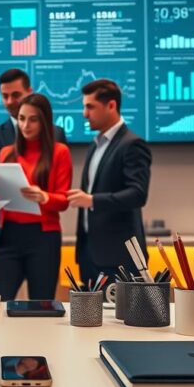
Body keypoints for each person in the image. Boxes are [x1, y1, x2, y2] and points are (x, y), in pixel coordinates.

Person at [0, 94, 72, 301]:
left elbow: (64, 200)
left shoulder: (59, 152)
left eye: (33, 119)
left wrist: (44, 197)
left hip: (43, 238)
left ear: (44, 121)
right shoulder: (5, 153)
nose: (25, 125)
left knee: (41, 305)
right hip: (7, 236)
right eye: (22, 118)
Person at [66, 79, 152, 283]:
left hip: (119, 258)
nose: (84, 114)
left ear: (111, 105)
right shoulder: (95, 145)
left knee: (121, 307)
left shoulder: (133, 144)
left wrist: (92, 200)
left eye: (90, 107)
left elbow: (137, 194)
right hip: (89, 256)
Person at [0, 68, 67, 253]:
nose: (10, 101)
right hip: (4, 232)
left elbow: (61, 194)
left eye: (16, 95)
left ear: (29, 92)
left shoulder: (56, 135)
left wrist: (43, 196)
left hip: (42, 230)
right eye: (5, 96)